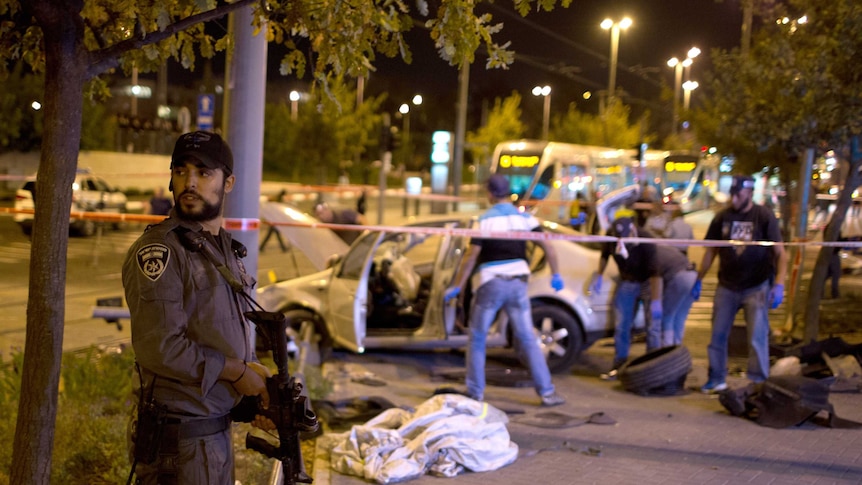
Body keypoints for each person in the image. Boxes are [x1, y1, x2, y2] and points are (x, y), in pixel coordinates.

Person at [122, 131, 271, 484]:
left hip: (212, 435)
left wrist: (254, 381)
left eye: (203, 173)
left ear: (228, 182)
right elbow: (160, 347)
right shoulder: (160, 252)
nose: (190, 182)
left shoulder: (223, 250)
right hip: (179, 444)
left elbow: (214, 332)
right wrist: (236, 372)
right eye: (181, 171)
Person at [444, 174, 566, 407]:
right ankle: (547, 392)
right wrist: (555, 273)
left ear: (490, 193)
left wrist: (458, 285)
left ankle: (476, 392)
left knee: (477, 338)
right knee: (528, 338)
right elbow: (548, 245)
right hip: (518, 284)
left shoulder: (484, 220)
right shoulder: (524, 219)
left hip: (492, 283)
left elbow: (471, 256)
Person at [693, 174, 787, 394]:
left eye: (738, 194)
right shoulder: (722, 217)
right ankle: (716, 379)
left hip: (756, 286)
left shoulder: (763, 217)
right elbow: (711, 251)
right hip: (727, 285)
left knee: (757, 336)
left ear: (749, 193)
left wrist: (779, 284)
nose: (733, 198)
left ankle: (758, 382)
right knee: (717, 335)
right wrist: (698, 278)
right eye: (732, 194)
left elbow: (780, 253)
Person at [590, 210, 661, 379]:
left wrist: (656, 301)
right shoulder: (613, 236)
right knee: (622, 325)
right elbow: (604, 255)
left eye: (624, 237)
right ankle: (619, 364)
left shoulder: (645, 240)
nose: (621, 242)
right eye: (618, 238)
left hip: (647, 281)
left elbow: (655, 274)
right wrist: (599, 275)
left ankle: (652, 367)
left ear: (632, 229)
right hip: (628, 281)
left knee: (653, 326)